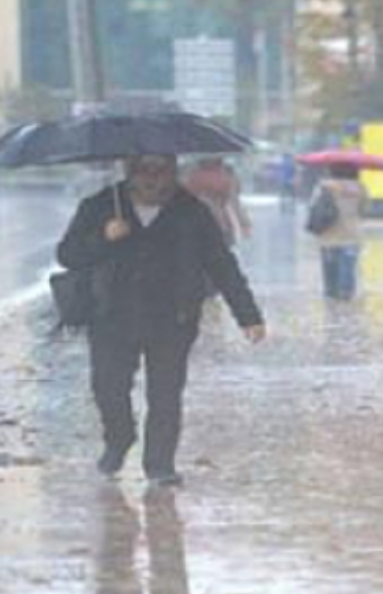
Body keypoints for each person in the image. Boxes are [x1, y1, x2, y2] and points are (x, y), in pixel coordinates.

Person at [57, 155, 266, 486]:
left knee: (166, 393)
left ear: (173, 172)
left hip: (173, 317)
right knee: (108, 387)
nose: (153, 180)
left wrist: (248, 316)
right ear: (129, 171)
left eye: (162, 171)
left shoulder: (191, 210)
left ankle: (160, 464)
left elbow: (221, 263)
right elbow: (67, 255)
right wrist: (104, 237)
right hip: (112, 316)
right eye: (145, 171)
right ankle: (119, 438)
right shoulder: (100, 205)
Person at [310, 163, 368, 301]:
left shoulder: (323, 187)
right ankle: (346, 293)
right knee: (348, 266)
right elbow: (363, 209)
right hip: (351, 233)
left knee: (329, 267)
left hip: (328, 234)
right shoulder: (360, 188)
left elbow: (313, 206)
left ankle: (331, 293)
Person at [184, 157, 251, 248]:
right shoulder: (226, 173)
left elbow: (234, 200)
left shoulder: (193, 173)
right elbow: (234, 201)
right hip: (212, 224)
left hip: (210, 223)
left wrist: (243, 222)